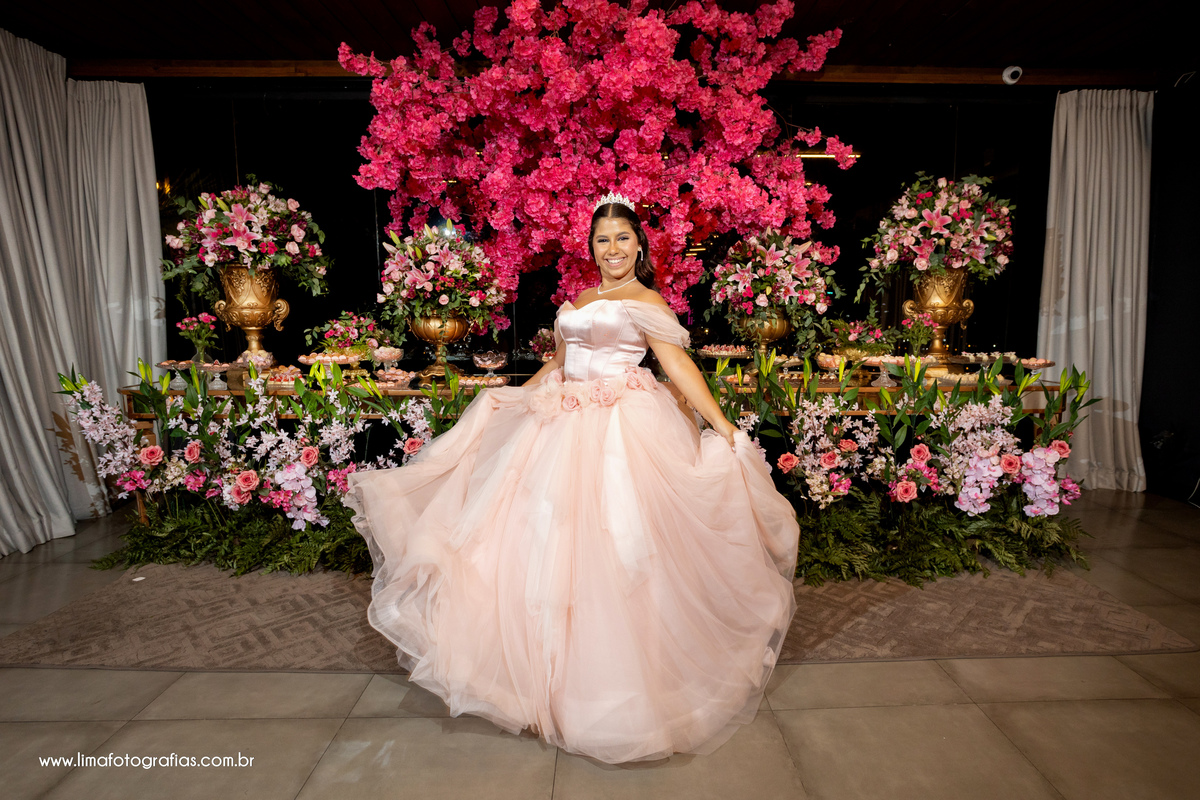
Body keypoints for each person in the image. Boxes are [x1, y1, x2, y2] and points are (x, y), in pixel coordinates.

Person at [345, 193, 800, 764]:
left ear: (639, 245)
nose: (612, 249)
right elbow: (559, 363)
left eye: (623, 239)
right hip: (559, 424)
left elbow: (677, 366)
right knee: (535, 544)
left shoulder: (645, 300)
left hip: (620, 430)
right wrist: (514, 397)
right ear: (592, 247)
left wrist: (723, 425)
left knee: (615, 547)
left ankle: (613, 688)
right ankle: (537, 681)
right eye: (602, 240)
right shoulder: (581, 298)